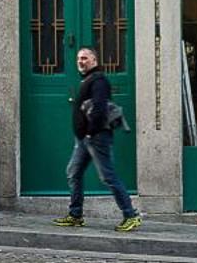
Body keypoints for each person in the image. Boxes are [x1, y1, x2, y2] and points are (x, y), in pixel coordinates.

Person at [56, 47, 141, 232]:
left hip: (96, 138)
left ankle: (130, 215)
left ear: (94, 60)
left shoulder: (99, 80)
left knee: (108, 176)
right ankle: (75, 215)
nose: (81, 61)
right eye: (79, 58)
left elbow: (100, 107)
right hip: (84, 141)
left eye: (85, 58)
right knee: (73, 172)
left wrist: (90, 132)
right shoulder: (88, 80)